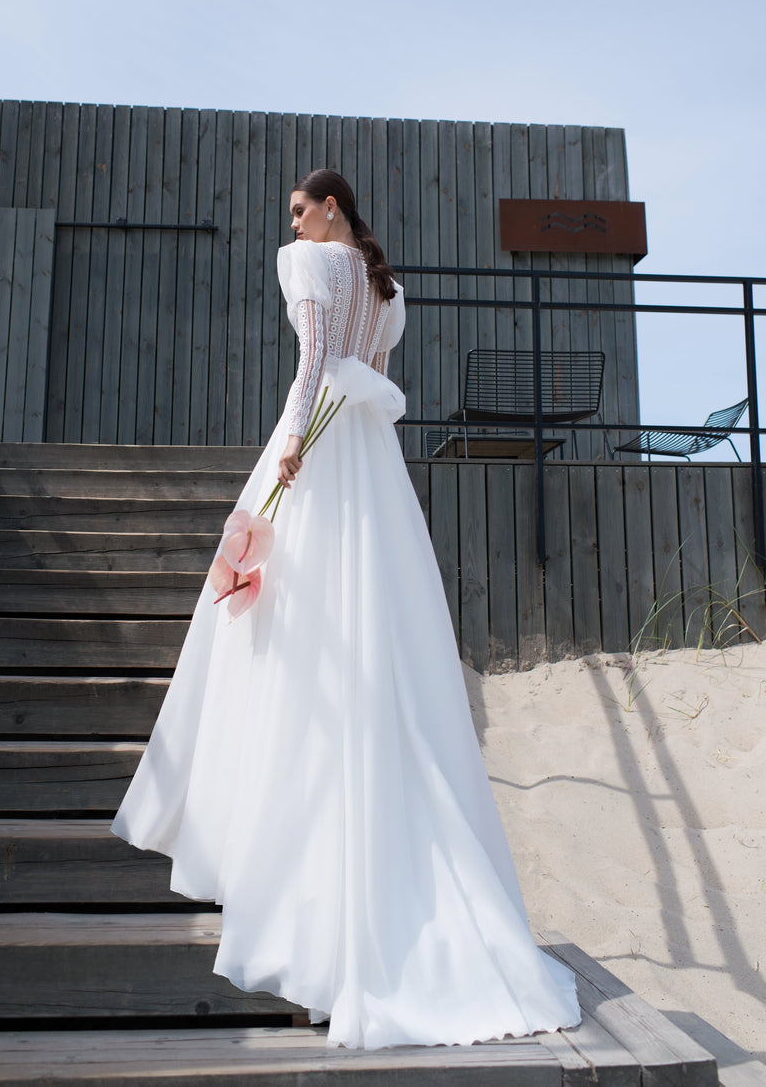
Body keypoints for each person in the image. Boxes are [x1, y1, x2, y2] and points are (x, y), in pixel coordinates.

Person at [111, 169, 581, 1049]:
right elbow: (368, 369)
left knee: (288, 637)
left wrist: (289, 444)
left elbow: (314, 364)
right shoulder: (387, 289)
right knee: (371, 633)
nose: (292, 221)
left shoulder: (314, 263)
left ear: (331, 206)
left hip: (321, 451)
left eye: (300, 207)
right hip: (373, 467)